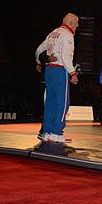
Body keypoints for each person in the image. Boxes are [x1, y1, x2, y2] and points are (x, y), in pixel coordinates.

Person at [34, 13, 79, 143]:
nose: (78, 25)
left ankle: (47, 132)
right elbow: (65, 57)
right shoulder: (67, 35)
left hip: (49, 70)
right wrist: (73, 73)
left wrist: (38, 62)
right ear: (71, 23)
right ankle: (56, 132)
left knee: (49, 102)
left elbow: (38, 50)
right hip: (60, 71)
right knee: (62, 102)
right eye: (76, 23)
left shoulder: (53, 33)